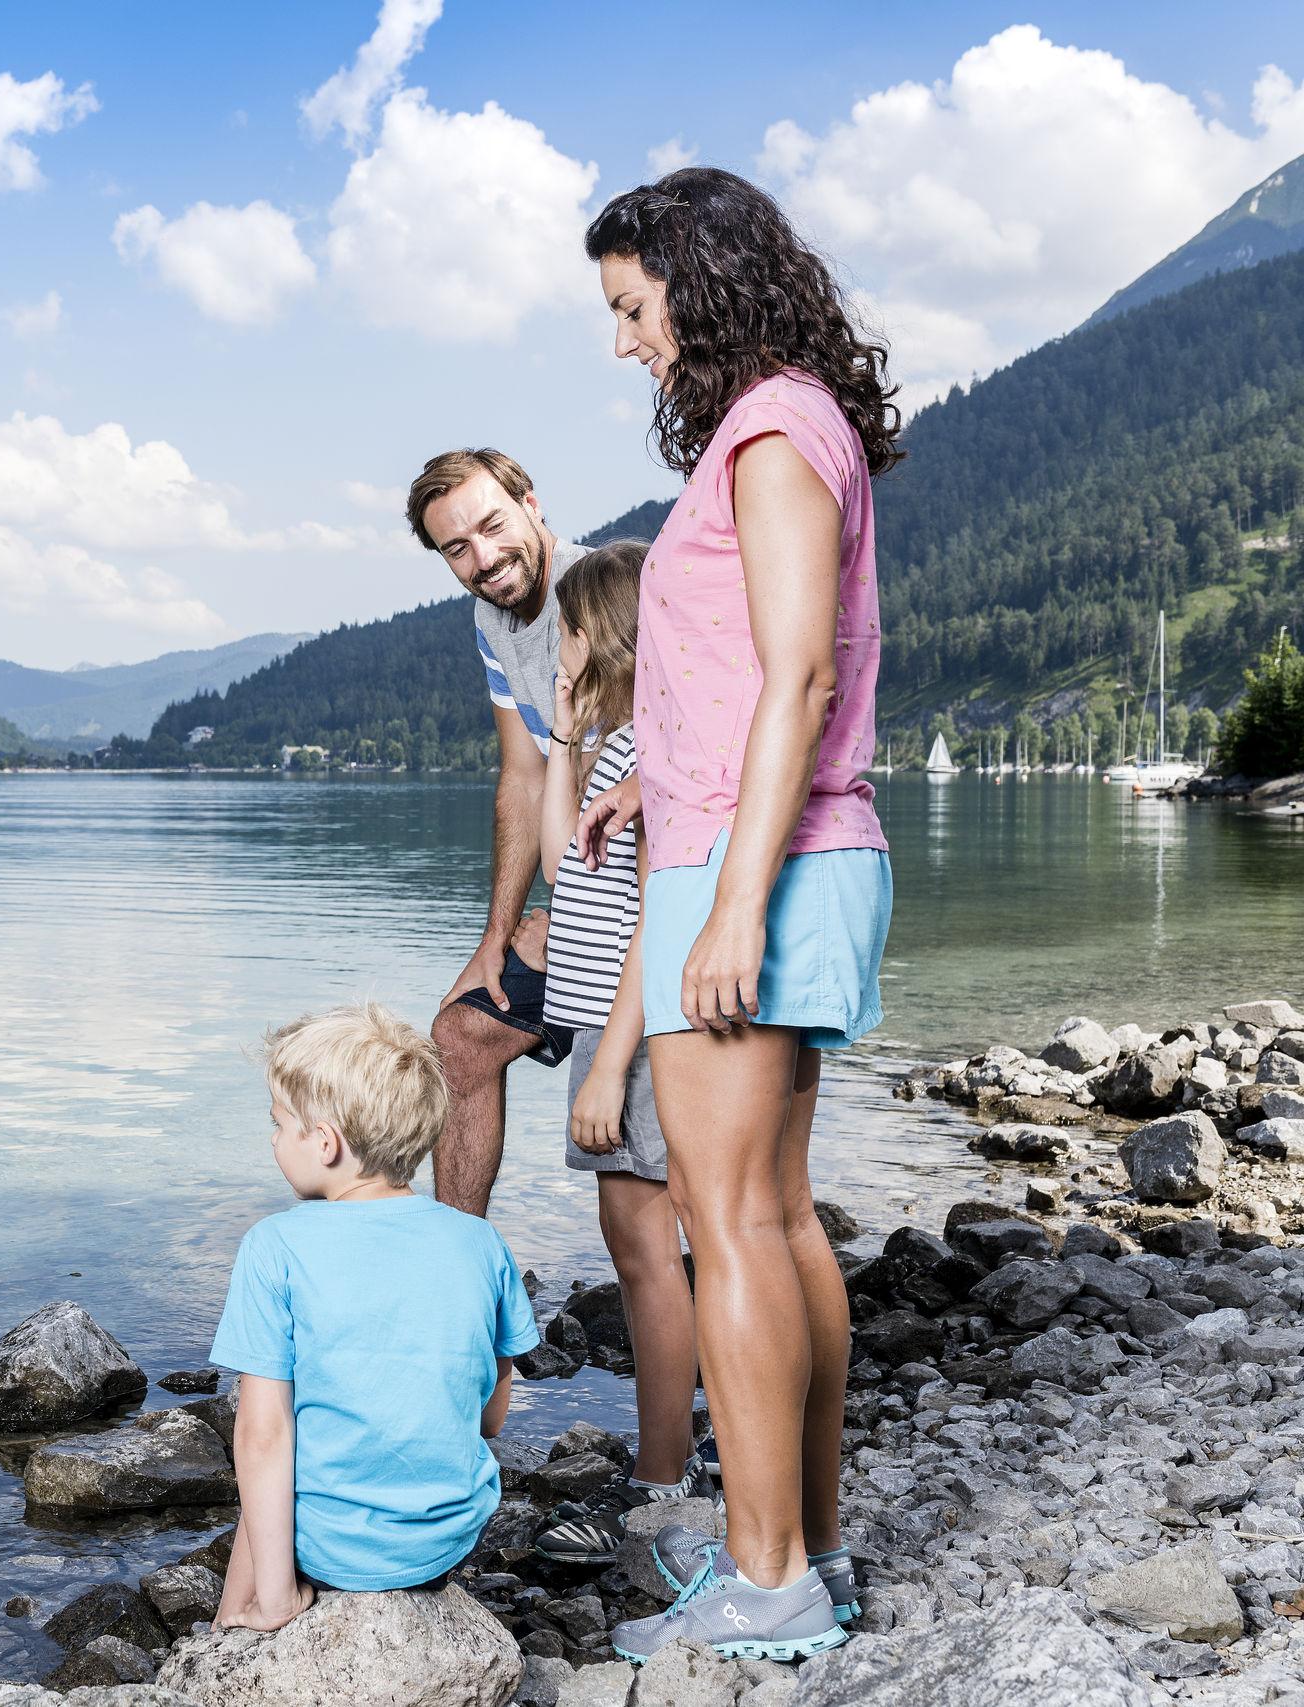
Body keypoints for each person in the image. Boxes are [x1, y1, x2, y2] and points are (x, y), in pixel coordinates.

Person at [579, 165, 899, 1664]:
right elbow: (746, 684)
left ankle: (763, 1579)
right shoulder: (790, 420)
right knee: (773, 1215)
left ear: (698, 283)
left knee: (727, 1223)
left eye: (632, 307)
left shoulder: (769, 430)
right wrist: (654, 796)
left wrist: (729, 905)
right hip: (757, 842)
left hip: (755, 869)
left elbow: (801, 678)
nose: (624, 340)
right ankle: (806, 1551)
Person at [209, 1003, 539, 1633]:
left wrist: (280, 1594)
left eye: (279, 1124)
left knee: (270, 1454)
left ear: (325, 1141)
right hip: (451, 1535)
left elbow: (263, 1435)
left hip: (334, 1549)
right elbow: (491, 1418)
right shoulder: (479, 1241)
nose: (273, 1140)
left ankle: (244, 1619)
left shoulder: (274, 1245)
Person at [519, 540, 706, 1568]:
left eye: (566, 631)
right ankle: (676, 1457)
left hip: (627, 1033)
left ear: (597, 636)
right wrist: (561, 740)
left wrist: (604, 1066)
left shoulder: (650, 758)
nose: (559, 647)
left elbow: (653, 922)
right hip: (609, 1025)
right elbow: (562, 866)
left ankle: (663, 1475)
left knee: (645, 1254)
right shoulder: (623, 748)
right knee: (642, 1246)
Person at [402, 450, 588, 1215]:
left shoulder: (603, 589)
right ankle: (458, 1259)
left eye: (492, 525)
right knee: (460, 1038)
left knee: (639, 1174)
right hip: (588, 894)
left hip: (651, 906)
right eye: (457, 547)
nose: (482, 558)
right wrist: (496, 936)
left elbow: (656, 766)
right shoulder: (492, 619)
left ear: (531, 504)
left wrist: (574, 917)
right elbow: (524, 775)